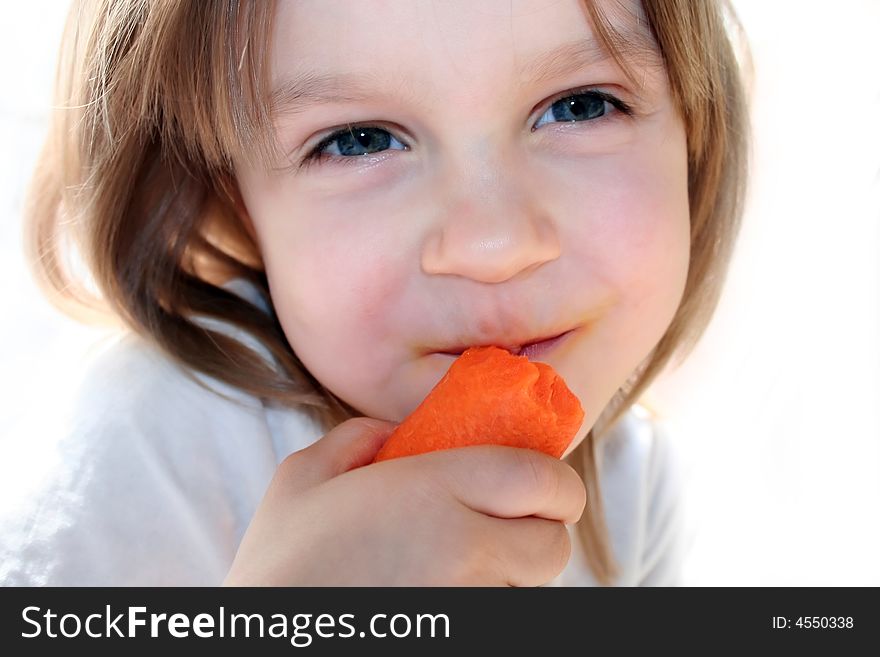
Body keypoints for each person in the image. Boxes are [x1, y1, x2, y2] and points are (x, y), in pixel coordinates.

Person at [1, 0, 749, 586]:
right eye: (358, 139)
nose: (493, 244)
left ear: (695, 129)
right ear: (232, 208)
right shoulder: (159, 441)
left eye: (582, 104)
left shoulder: (631, 487)